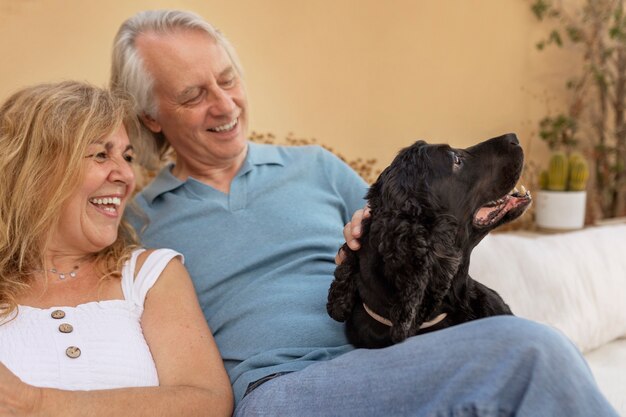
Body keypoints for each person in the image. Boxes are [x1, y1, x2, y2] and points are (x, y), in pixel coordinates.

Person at [112, 10, 619, 417]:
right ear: (150, 116)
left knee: (541, 353)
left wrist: (372, 237)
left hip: (389, 362)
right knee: (530, 351)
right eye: (194, 95)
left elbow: (421, 246)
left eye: (227, 80)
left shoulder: (315, 166)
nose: (225, 106)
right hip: (280, 392)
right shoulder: (137, 222)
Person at [0, 81, 233, 416]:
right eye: (100, 154)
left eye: (126, 156)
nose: (126, 174)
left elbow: (207, 402)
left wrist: (35, 404)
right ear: (36, 170)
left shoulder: (150, 275)